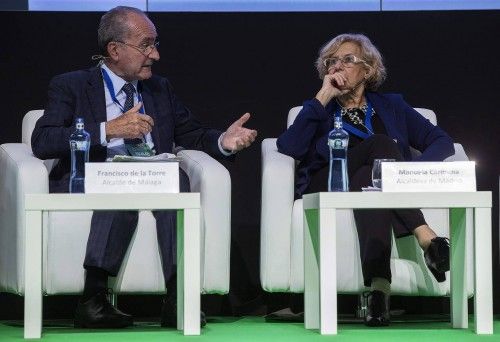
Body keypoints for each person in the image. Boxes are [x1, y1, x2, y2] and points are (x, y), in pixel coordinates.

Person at [31, 6, 257, 329]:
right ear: (115, 50)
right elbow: (43, 140)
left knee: (177, 180)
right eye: (147, 45)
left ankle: (178, 299)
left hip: (152, 177)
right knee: (120, 184)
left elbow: (190, 133)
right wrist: (108, 129)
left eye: (155, 44)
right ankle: (92, 298)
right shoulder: (72, 86)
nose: (156, 54)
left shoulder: (159, 89)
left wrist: (224, 141)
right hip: (98, 177)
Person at [277, 33, 452, 327]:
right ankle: (427, 237)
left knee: (368, 178)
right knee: (382, 145)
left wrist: (411, 173)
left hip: (365, 184)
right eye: (331, 62)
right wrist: (323, 97)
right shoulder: (318, 110)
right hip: (329, 183)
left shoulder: (392, 105)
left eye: (348, 60)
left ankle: (378, 292)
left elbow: (441, 141)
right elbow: (289, 147)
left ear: (368, 70)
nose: (337, 67)